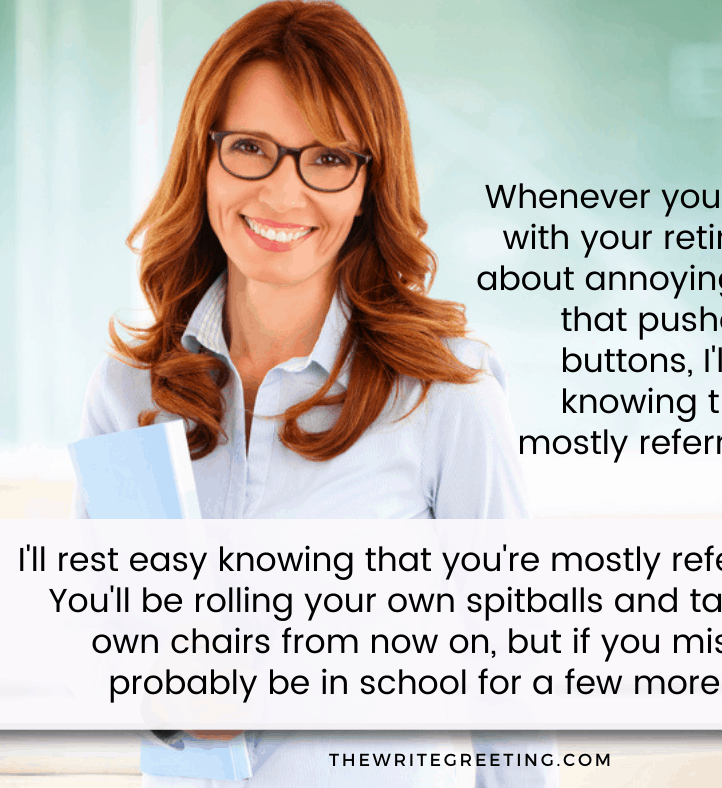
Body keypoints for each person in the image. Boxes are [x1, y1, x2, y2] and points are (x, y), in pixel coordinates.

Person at [72, 1, 555, 785]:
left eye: (327, 158)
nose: (283, 194)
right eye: (251, 148)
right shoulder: (130, 393)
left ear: (368, 182)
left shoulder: (446, 397)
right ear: (205, 158)